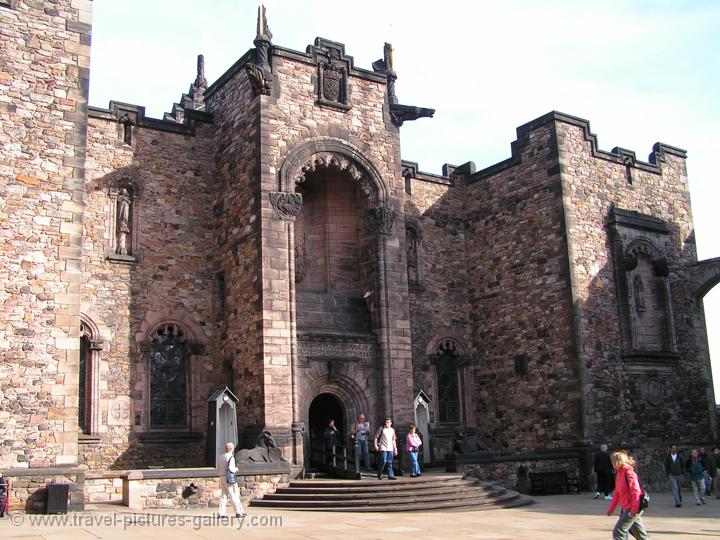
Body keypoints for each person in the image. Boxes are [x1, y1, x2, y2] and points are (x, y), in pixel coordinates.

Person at [607, 450, 650, 540]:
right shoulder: (619, 473)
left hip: (633, 507)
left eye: (612, 461)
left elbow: (636, 491)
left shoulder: (629, 473)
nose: (611, 463)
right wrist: (611, 509)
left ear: (617, 461)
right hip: (627, 507)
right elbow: (617, 493)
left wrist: (634, 510)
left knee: (618, 531)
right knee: (640, 535)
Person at [218, 442, 245, 518]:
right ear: (232, 449)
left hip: (222, 477)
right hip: (229, 478)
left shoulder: (221, 457)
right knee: (234, 495)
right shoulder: (231, 457)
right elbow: (231, 469)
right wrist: (236, 469)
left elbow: (219, 468)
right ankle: (238, 512)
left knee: (223, 496)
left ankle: (221, 513)